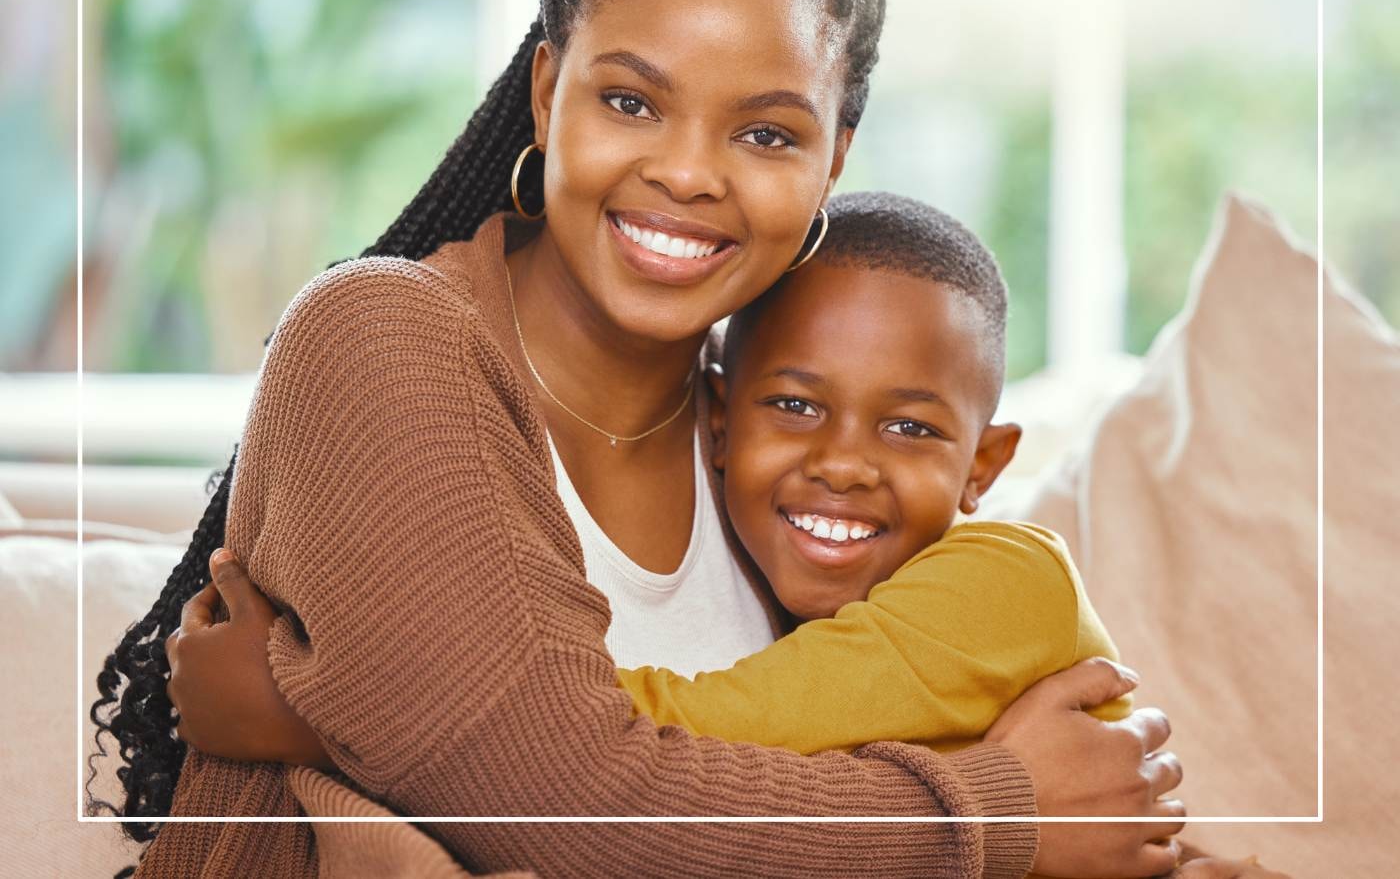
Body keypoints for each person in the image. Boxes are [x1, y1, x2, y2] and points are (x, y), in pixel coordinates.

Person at [92, 0, 1188, 877]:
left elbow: (591, 779)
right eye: (629, 101)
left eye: (764, 133)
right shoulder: (382, 339)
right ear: (544, 93)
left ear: (832, 159)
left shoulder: (768, 443)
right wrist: (994, 812)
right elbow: (572, 808)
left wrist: (339, 730)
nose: (688, 174)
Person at [172, 194, 1285, 879]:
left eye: (907, 427)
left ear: (984, 466)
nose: (842, 460)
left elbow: (606, 750)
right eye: (794, 406)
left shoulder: (1000, 581)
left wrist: (335, 715)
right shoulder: (787, 586)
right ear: (717, 421)